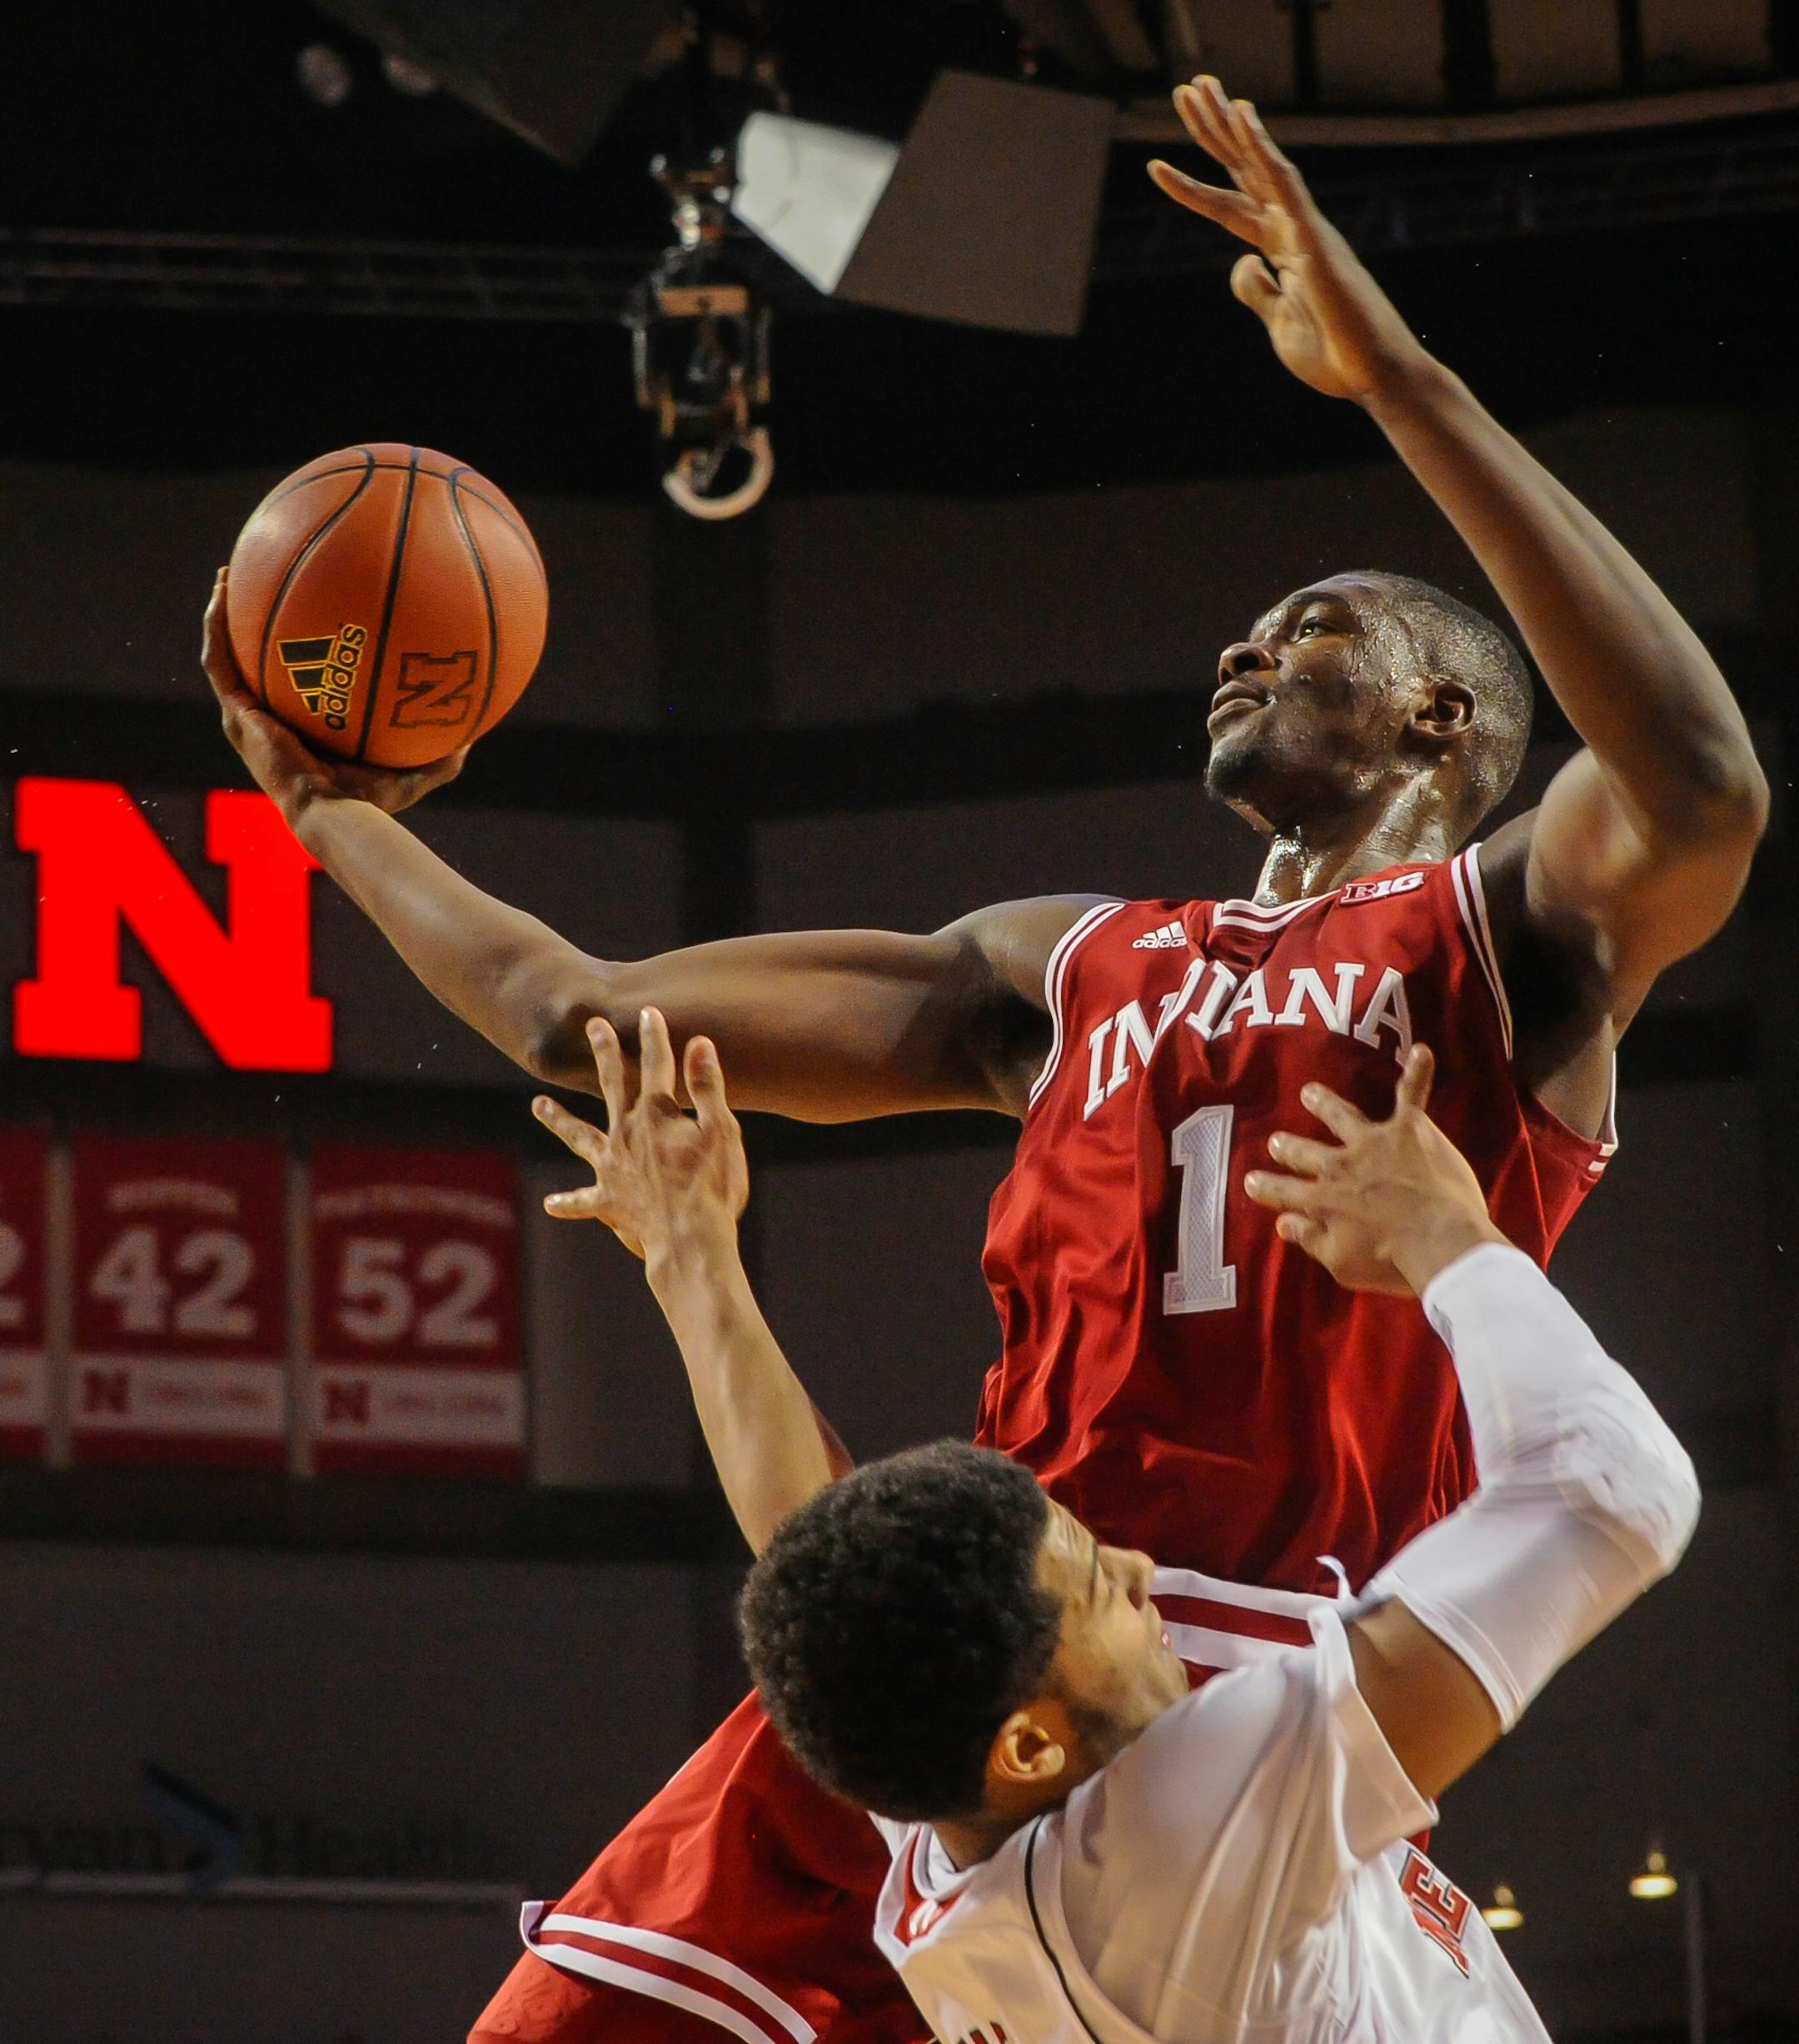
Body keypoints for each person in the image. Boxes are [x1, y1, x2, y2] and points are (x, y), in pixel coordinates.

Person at [201, 77, 1763, 2044]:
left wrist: (1399, 380)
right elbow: (575, 1013)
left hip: (1246, 1695)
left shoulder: (1504, 949)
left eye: (1306, 628)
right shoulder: (1066, 967)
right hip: (967, 1635)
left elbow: (1700, 780)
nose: (1242, 650)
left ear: (1443, 712)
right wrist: (321, 811)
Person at [528, 1008, 1698, 2044]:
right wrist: (1450, 1239)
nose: (1138, 1566)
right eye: (1096, 1583)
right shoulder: (1177, 1837)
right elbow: (1614, 1488)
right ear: (1034, 1745)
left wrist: (695, 1266)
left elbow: (808, 1534)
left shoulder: (961, 1812)